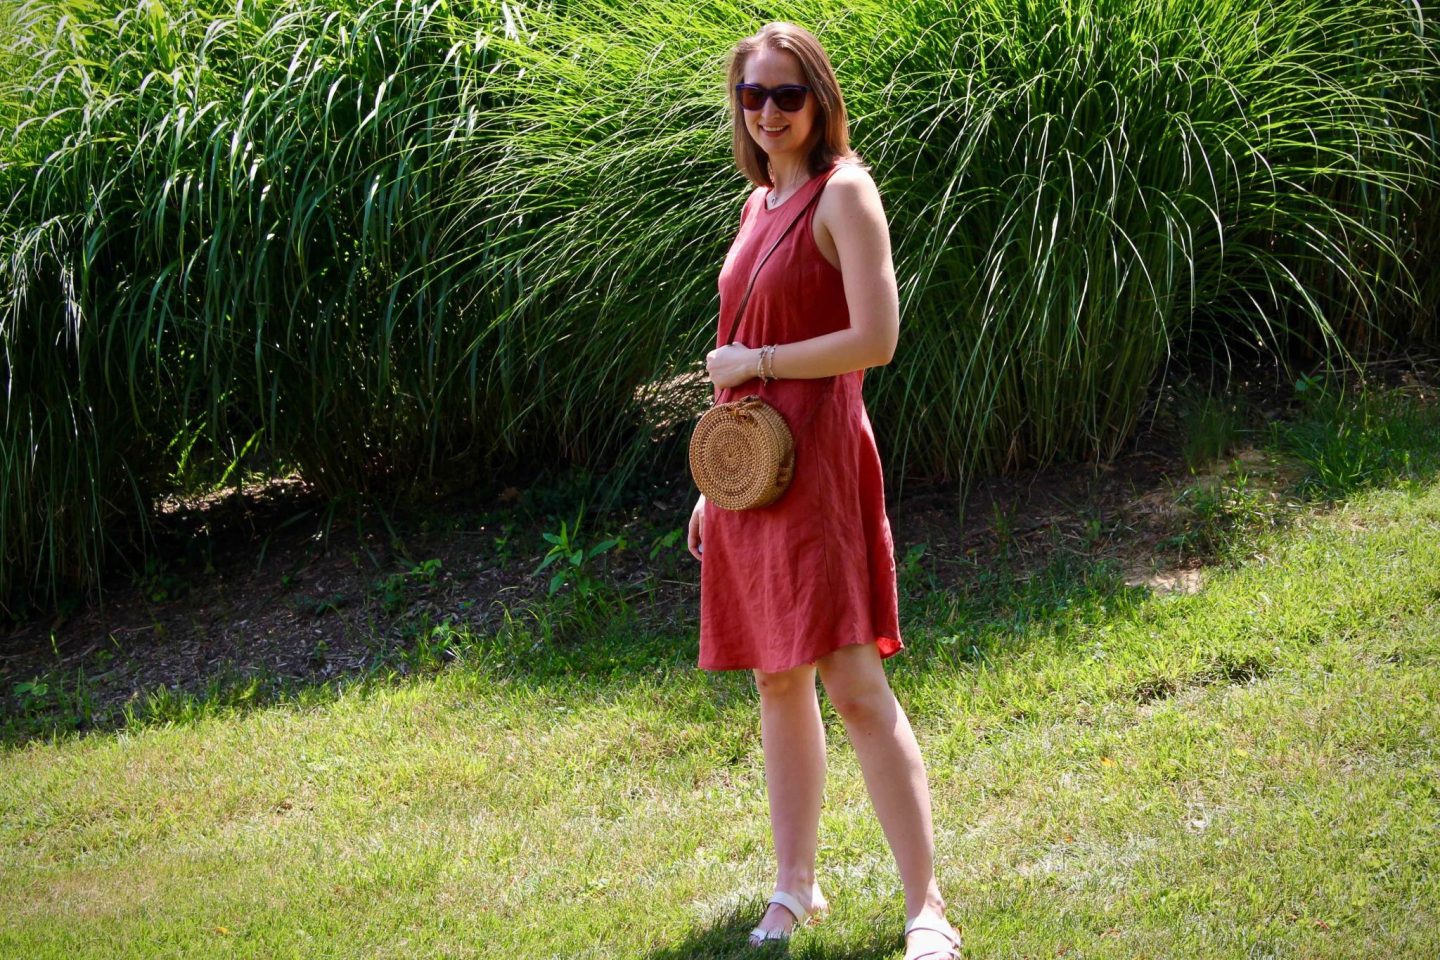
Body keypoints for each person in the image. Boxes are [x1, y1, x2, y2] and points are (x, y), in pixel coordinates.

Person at [685, 21, 963, 960]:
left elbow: (876, 339)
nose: (768, 113)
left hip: (826, 464)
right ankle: (793, 889)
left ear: (820, 99)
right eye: (753, 97)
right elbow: (737, 350)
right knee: (776, 675)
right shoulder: (759, 202)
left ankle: (927, 907)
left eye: (786, 95)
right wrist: (716, 481)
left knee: (850, 678)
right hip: (756, 475)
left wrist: (757, 359)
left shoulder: (847, 193)